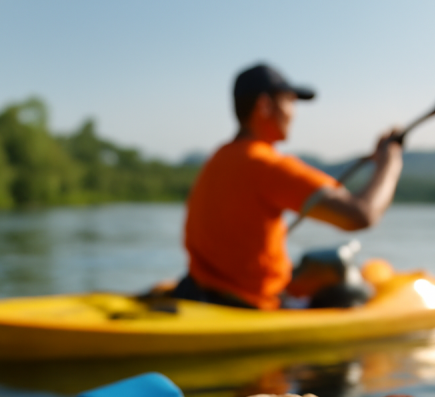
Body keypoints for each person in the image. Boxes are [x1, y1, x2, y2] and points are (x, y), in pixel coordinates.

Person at [173, 63, 404, 310]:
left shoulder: (218, 158)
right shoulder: (267, 166)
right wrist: (390, 162)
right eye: (289, 102)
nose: (293, 112)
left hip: (199, 290)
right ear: (264, 106)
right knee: (350, 293)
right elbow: (361, 215)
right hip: (247, 305)